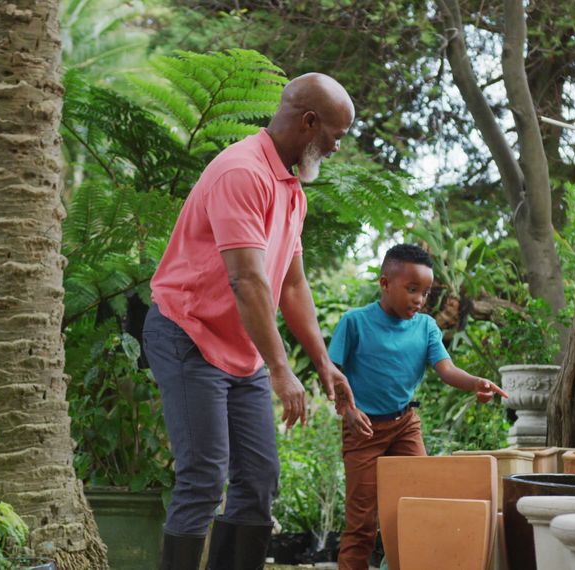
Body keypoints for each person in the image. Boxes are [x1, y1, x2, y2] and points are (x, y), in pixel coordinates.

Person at [142, 73, 370, 570]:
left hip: (240, 347)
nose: (336, 147)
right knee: (204, 475)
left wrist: (323, 364)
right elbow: (247, 281)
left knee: (259, 480)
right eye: (336, 134)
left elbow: (291, 285)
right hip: (188, 334)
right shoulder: (242, 172)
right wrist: (281, 369)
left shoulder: (291, 188)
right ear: (309, 122)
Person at [327, 244, 510, 570]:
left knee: (418, 506)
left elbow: (447, 370)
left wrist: (475, 382)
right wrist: (347, 411)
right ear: (385, 283)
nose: (419, 300)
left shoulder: (425, 327)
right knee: (362, 521)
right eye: (412, 290)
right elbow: (331, 372)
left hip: (404, 426)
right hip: (363, 430)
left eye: (424, 292)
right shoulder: (354, 323)